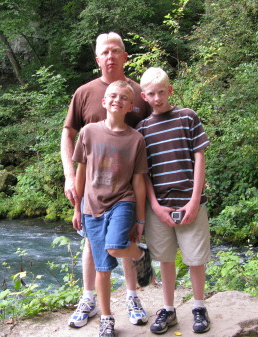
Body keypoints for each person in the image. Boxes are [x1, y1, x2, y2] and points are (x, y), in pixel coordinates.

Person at [60, 32, 151, 328]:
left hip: (126, 190)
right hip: (92, 187)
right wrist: (70, 176)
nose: (110, 56)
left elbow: (152, 132)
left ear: (125, 56)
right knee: (91, 244)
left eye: (116, 51)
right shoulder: (85, 92)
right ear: (97, 59)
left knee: (124, 239)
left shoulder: (138, 92)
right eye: (104, 52)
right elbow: (69, 134)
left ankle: (133, 296)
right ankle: (89, 300)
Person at [72, 80, 154, 337]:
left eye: (123, 97)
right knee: (102, 268)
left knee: (116, 246)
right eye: (112, 96)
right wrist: (77, 208)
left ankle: (140, 256)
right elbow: (81, 172)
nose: (117, 100)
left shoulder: (136, 139)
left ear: (130, 106)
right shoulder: (88, 132)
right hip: (92, 207)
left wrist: (140, 219)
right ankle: (106, 318)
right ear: (104, 102)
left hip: (123, 201)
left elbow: (139, 181)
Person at [136, 67, 212, 334]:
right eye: (151, 94)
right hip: (159, 207)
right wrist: (155, 206)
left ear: (170, 90)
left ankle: (199, 306)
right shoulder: (142, 129)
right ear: (144, 96)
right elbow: (143, 172)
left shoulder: (187, 117)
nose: (157, 98)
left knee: (195, 258)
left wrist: (194, 201)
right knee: (165, 259)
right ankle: (168, 310)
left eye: (161, 92)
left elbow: (200, 157)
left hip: (190, 201)